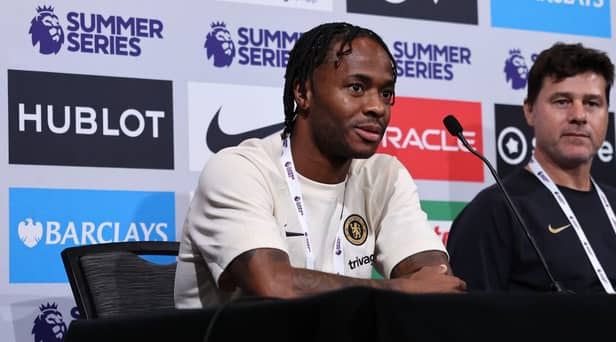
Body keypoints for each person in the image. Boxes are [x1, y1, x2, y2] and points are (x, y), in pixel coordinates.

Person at [174, 22, 466, 308]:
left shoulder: (385, 175)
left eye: (386, 93)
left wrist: (415, 287)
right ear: (303, 93)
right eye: (356, 87)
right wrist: (402, 289)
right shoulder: (238, 170)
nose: (378, 107)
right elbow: (274, 284)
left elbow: (435, 279)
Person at [447, 42, 616, 293]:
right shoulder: (495, 210)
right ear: (529, 111)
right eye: (562, 101)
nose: (579, 115)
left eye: (592, 103)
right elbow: (469, 323)